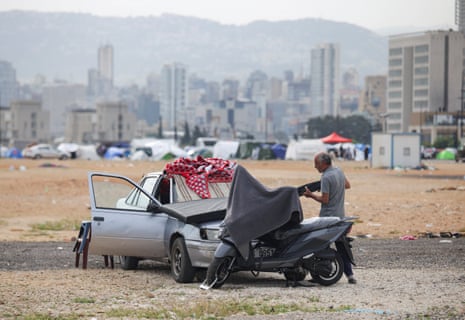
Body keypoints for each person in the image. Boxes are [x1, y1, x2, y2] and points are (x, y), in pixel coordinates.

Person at [303, 152, 356, 284]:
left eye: (316, 164)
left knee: (320, 245)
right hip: (340, 216)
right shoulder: (338, 171)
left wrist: (311, 195)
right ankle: (350, 276)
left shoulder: (326, 177)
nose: (315, 167)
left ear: (323, 163)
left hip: (327, 218)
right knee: (342, 246)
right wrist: (335, 189)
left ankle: (320, 273)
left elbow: (325, 200)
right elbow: (347, 185)